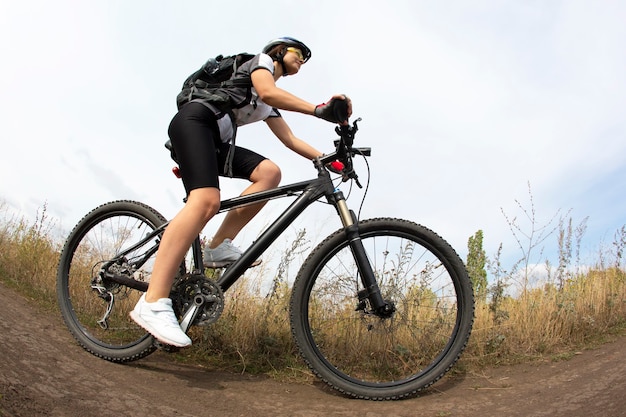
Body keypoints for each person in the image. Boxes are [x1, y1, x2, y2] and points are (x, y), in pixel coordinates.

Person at [130, 37, 352, 347]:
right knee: (206, 200)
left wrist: (335, 163)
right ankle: (152, 302)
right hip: (195, 122)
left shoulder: (268, 104)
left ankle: (217, 246)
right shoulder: (259, 63)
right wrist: (319, 110)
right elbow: (268, 90)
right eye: (298, 53)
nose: (302, 59)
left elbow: (290, 140)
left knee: (270, 173)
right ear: (278, 52)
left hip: (216, 141)